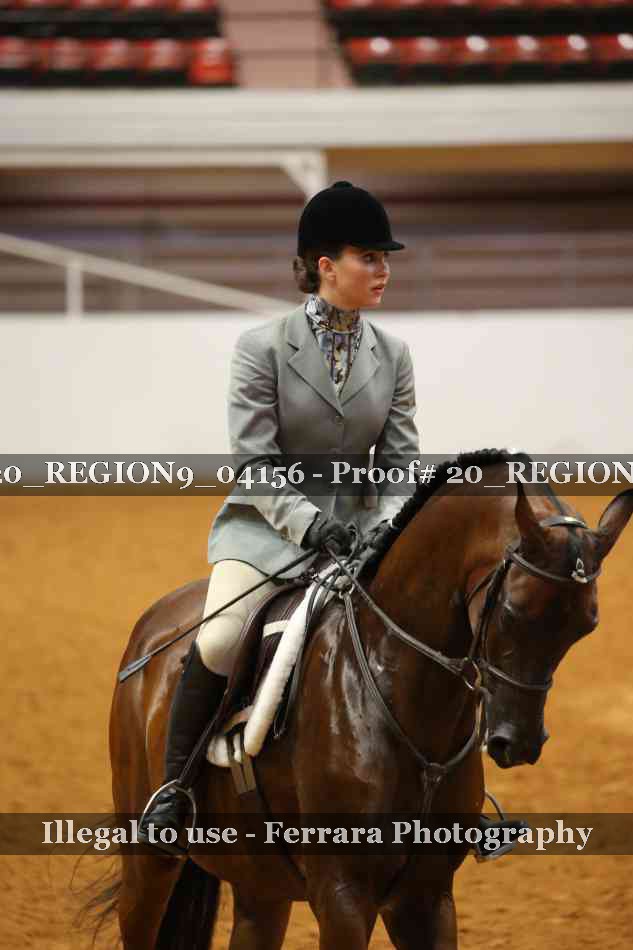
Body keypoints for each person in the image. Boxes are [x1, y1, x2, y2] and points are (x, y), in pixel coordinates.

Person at [138, 180, 422, 853]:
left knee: (430, 631)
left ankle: (450, 788)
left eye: (385, 258)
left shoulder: (393, 354)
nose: (383, 270)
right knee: (219, 638)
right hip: (267, 533)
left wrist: (385, 524)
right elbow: (254, 462)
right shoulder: (261, 347)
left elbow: (399, 461)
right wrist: (310, 525)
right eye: (369, 258)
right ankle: (174, 790)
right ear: (326, 266)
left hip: (361, 538)